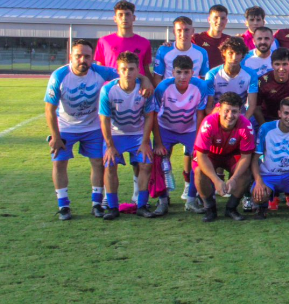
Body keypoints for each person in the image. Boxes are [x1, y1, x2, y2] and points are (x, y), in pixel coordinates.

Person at [45, 40, 124, 220]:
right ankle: (63, 205)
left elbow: (125, 73)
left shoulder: (99, 71)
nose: (83, 60)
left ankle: (96, 204)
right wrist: (56, 136)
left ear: (92, 58)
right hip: (65, 126)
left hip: (93, 126)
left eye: (87, 56)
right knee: (59, 163)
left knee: (98, 163)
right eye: (78, 56)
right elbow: (49, 109)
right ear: (70, 57)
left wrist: (145, 82)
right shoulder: (59, 76)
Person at [98, 52, 158, 219]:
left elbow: (149, 116)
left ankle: (142, 205)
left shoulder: (144, 90)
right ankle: (112, 207)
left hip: (138, 133)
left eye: (131, 69)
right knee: (109, 165)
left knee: (146, 165)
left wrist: (145, 142)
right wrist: (109, 146)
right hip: (116, 134)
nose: (127, 73)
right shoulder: (108, 90)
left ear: (138, 70)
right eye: (123, 69)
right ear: (118, 70)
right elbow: (104, 120)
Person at [152, 55, 209, 215]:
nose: (182, 77)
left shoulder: (200, 86)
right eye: (179, 72)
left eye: (186, 72)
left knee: (198, 159)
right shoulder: (163, 87)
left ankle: (191, 200)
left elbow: (200, 114)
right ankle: (163, 200)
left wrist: (198, 141)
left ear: (193, 72)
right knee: (159, 160)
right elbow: (154, 115)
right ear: (172, 72)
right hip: (165, 128)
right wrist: (158, 142)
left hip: (189, 129)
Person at [193, 93, 256, 222]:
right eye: (226, 111)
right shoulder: (208, 123)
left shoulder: (246, 125)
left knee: (245, 172)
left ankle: (231, 208)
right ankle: (210, 208)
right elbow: (201, 156)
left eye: (234, 111)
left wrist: (233, 179)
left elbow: (246, 157)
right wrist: (216, 180)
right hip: (210, 155)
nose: (230, 115)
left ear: (240, 111)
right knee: (199, 171)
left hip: (232, 154)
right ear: (219, 110)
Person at [204, 37, 260, 124]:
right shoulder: (212, 75)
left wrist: (243, 122)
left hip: (241, 118)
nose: (234, 57)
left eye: (238, 53)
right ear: (224, 53)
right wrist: (220, 122)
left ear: (243, 55)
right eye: (230, 53)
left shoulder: (251, 75)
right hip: (219, 118)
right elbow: (208, 107)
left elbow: (252, 105)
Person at [93, 0, 153, 78]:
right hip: (112, 87)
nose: (124, 18)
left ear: (134, 18)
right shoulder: (104, 41)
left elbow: (147, 71)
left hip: (137, 88)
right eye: (120, 15)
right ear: (115, 18)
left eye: (127, 14)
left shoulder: (144, 43)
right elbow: (99, 71)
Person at [256, 48, 289, 124]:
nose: (281, 68)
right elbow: (256, 108)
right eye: (277, 64)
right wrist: (264, 127)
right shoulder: (262, 82)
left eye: (285, 64)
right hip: (269, 119)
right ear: (272, 65)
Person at [152, 16, 210, 83]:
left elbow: (204, 79)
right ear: (174, 31)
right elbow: (157, 78)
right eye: (179, 30)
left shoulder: (202, 52)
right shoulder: (163, 50)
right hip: (169, 93)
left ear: (192, 31)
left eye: (186, 30)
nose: (183, 34)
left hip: (193, 93)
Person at [194, 5, 230, 69]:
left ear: (226, 21)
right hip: (203, 78)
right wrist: (170, 44)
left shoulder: (229, 40)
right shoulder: (196, 39)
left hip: (222, 78)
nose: (219, 21)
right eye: (216, 17)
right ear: (209, 20)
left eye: (222, 18)